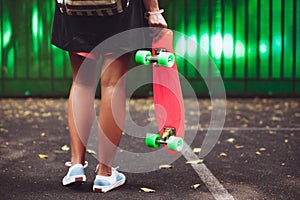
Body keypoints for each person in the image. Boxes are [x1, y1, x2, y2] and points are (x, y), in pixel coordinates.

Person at [51, 0, 167, 193]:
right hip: (118, 10)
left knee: (81, 83)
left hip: (73, 10)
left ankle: (76, 166)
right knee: (113, 84)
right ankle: (104, 174)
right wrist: (153, 10)